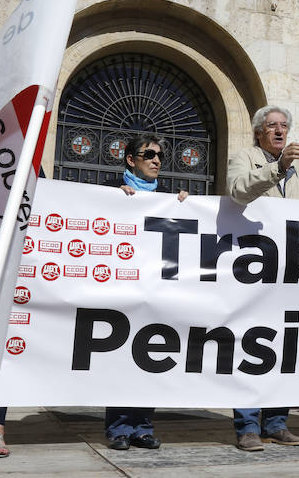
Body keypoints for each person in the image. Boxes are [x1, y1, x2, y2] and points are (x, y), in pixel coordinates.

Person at [226, 105, 299, 451]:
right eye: (272, 126)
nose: (279, 131)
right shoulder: (244, 157)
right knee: (251, 346)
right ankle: (247, 426)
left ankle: (276, 423)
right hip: (253, 269)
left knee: (284, 348)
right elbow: (237, 192)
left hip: (287, 270)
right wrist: (278, 168)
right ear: (259, 132)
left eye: (284, 126)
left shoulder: (296, 173)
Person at [105, 134, 187, 451]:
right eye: (148, 154)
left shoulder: (168, 197)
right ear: (130, 160)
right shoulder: (110, 190)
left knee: (149, 358)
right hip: (123, 289)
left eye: (159, 156)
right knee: (121, 359)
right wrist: (114, 199)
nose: (156, 160)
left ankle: (142, 426)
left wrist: (187, 206)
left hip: (157, 291)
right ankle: (118, 427)